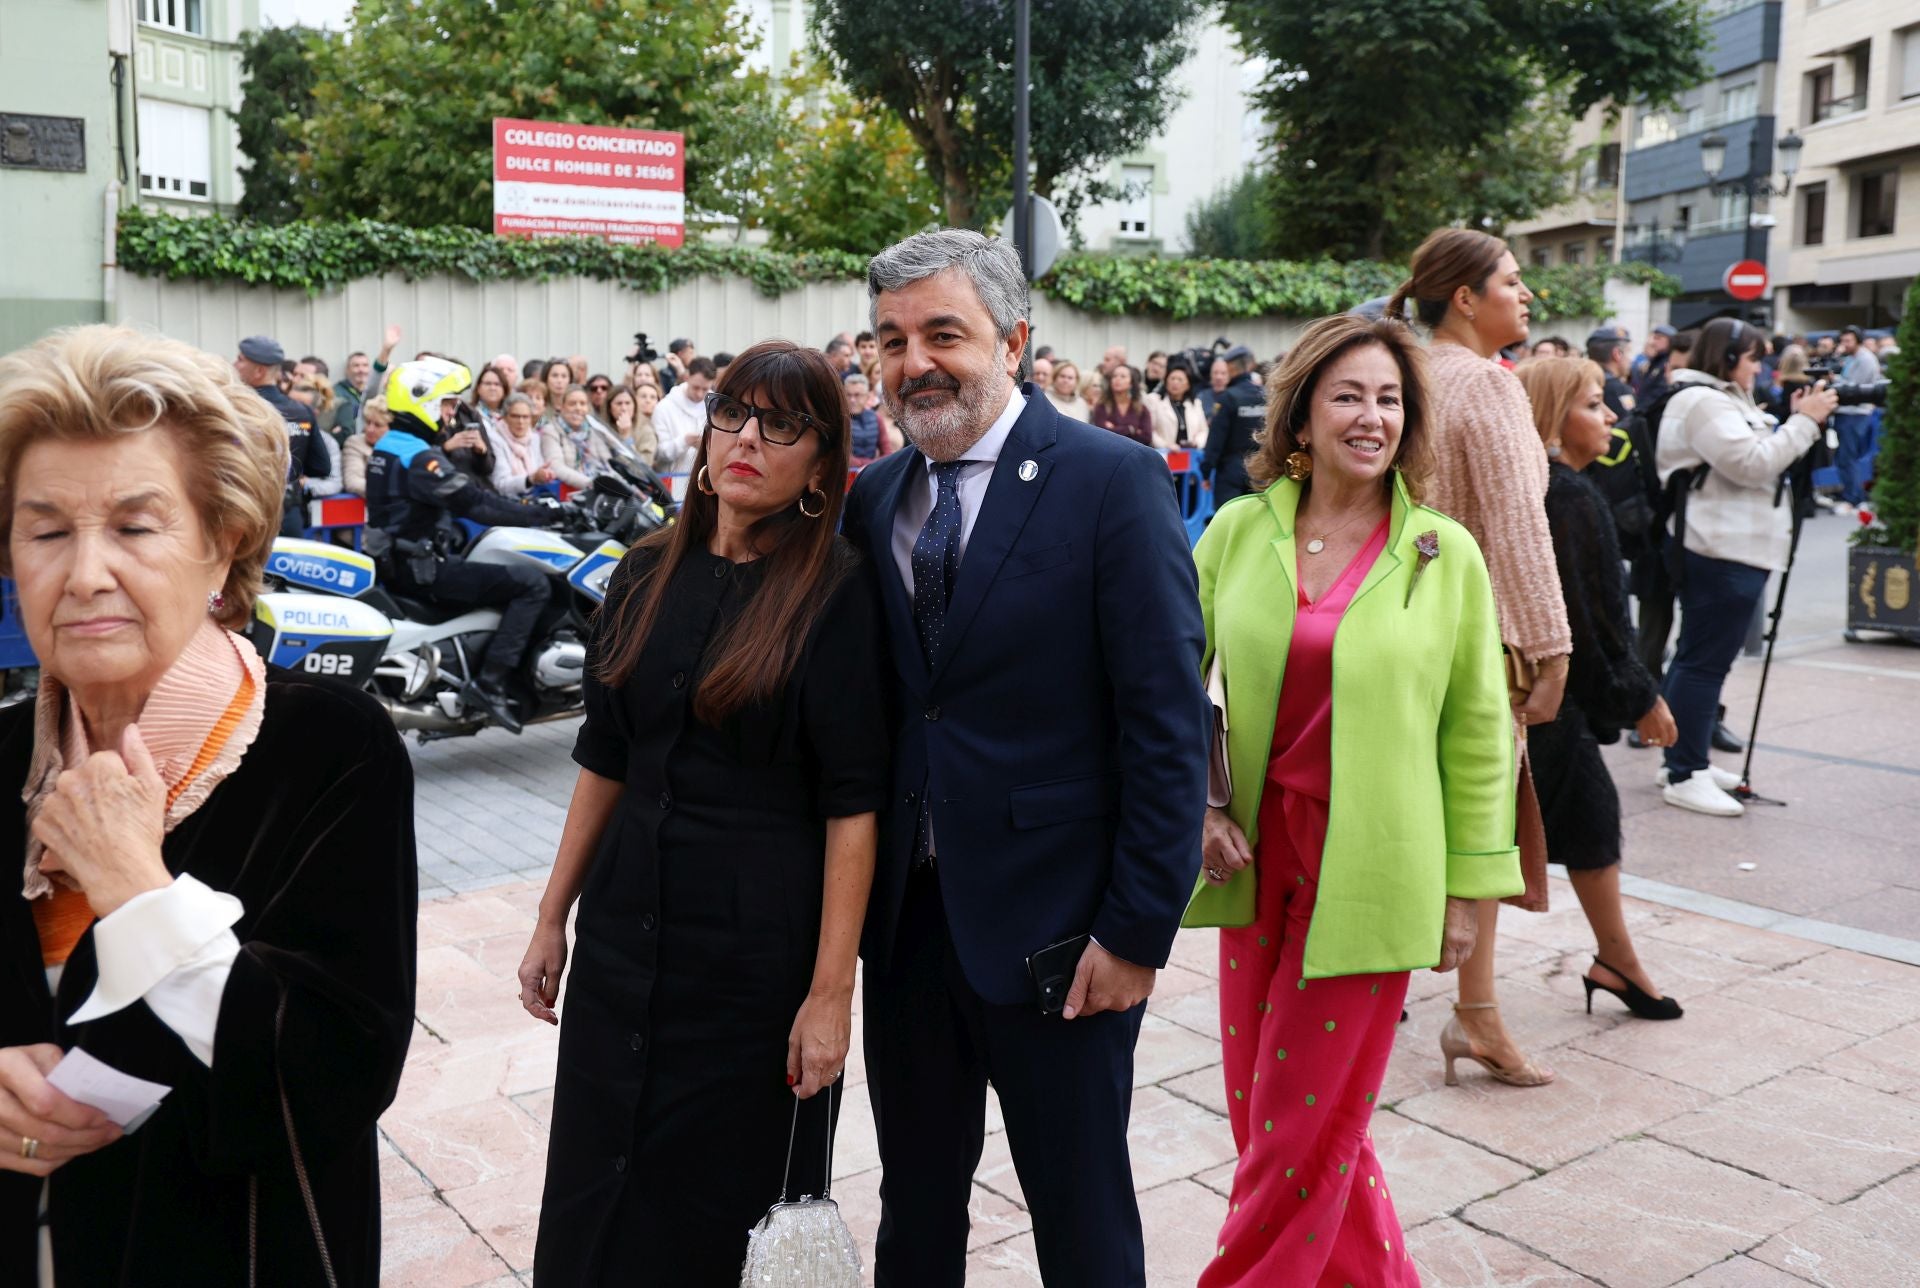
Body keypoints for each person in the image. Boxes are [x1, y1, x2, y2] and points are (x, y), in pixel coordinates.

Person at [0, 325, 416, 1284]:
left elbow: (341, 1072)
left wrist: (137, 889)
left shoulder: (327, 747)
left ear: (223, 545)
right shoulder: (5, 758)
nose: (87, 572)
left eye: (137, 527)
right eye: (49, 530)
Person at [842, 229, 1208, 1288]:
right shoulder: (878, 499)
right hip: (908, 934)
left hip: (1063, 940)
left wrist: (1137, 930)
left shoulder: (1113, 481)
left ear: (1013, 337)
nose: (916, 362)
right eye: (892, 339)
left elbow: (1165, 727)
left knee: (1083, 1219)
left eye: (943, 333)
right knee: (914, 1212)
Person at [519, 340, 884, 1283]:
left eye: (783, 424)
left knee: (717, 1213)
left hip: (750, 966)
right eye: (732, 413)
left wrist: (830, 993)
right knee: (595, 1187)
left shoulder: (835, 590)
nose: (748, 439)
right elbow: (604, 755)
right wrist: (553, 915)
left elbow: (854, 806)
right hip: (623, 940)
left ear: (819, 464)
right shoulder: (644, 570)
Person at [1189, 313, 1519, 1287]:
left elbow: (1477, 732)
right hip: (1255, 862)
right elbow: (1172, 679)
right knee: (1281, 1120)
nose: (1371, 416)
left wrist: (1469, 891)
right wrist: (1200, 806)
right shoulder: (1240, 530)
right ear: (1301, 412)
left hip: (1373, 869)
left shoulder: (1442, 553)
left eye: (1388, 399)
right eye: (1349, 395)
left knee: (1296, 1133)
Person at [1389, 227, 1569, 1088]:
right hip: (1474, 640)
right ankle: (1473, 1012)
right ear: (1465, 296)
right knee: (1478, 830)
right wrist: (1550, 643)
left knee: (1406, 815)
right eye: (1511, 279)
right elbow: (1517, 528)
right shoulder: (1488, 388)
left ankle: (1472, 1010)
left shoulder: (1402, 373)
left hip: (1392, 628)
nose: (1525, 293)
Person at [1514, 357, 1684, 1019]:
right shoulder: (1567, 495)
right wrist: (1640, 695)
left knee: (1591, 820)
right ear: (1556, 419)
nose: (1610, 416)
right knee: (1482, 847)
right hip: (1545, 698)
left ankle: (1618, 962)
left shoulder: (1556, 487)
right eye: (1593, 404)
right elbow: (1590, 618)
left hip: (1549, 696)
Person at [1655, 319, 1837, 816]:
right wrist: (1806, 422)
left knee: (1700, 658)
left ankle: (1682, 756)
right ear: (1728, 355)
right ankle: (1683, 772)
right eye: (1754, 357)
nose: (1760, 367)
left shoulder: (1720, 399)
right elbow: (1751, 464)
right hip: (1719, 550)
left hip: (1732, 549)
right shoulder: (1703, 401)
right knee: (1703, 663)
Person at [363, 358, 567, 733]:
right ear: (420, 402)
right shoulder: (418, 457)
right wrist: (546, 514)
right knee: (532, 584)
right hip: (423, 569)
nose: (450, 412)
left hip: (401, 561)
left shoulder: (391, 445)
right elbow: (477, 503)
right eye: (445, 404)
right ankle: (490, 683)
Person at [233, 335, 331, 539]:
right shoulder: (301, 411)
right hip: (289, 514)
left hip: (247, 515)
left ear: (259, 371)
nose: (234, 365)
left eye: (240, 360)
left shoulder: (237, 409)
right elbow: (321, 467)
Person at [1202, 345, 1265, 507]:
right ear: (1249, 365)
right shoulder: (1265, 396)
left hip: (1231, 472)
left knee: (1229, 522)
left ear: (1230, 367)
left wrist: (1206, 472)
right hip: (1260, 469)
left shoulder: (1228, 398)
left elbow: (1216, 440)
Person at [1832, 325, 1883, 511]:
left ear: (1858, 341)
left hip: (1855, 413)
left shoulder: (1865, 359)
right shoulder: (1851, 358)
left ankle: (1853, 498)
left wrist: (1835, 381)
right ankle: (1853, 495)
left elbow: (1855, 389)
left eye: (1848, 341)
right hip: (1847, 412)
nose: (1844, 344)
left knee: (1849, 456)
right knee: (1845, 457)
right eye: (1842, 340)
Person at [543, 386, 627, 489]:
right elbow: (557, 467)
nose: (578, 408)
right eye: (572, 404)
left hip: (601, 488)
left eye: (582, 404)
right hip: (571, 492)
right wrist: (593, 484)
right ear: (562, 407)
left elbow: (607, 462)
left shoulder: (593, 430)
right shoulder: (551, 430)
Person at [654, 357, 717, 475]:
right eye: (696, 387)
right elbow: (659, 454)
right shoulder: (664, 407)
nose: (700, 394)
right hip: (671, 478)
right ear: (687, 377)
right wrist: (685, 440)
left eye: (705, 389)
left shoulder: (715, 407)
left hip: (705, 477)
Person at [488, 394, 558, 496]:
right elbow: (500, 484)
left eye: (525, 417)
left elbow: (539, 469)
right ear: (505, 417)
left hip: (533, 496)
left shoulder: (534, 438)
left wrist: (545, 474)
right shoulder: (495, 439)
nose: (521, 422)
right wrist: (531, 479)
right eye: (515, 416)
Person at [1146, 363, 1209, 449]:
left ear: (1188, 385)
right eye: (1172, 378)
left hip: (1189, 454)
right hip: (1164, 453)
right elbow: (1150, 430)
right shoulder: (1154, 400)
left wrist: (1196, 442)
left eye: (1180, 380)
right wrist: (1166, 445)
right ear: (1166, 381)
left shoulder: (1196, 404)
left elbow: (1203, 430)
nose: (1175, 382)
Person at [1090, 363, 1154, 446]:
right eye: (1114, 376)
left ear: (1131, 383)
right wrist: (1131, 429)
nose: (1117, 379)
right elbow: (1102, 435)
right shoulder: (1101, 407)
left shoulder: (1141, 409)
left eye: (1123, 376)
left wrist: (1114, 429)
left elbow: (1147, 437)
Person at [343, 394, 391, 495]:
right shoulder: (354, 443)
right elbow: (353, 482)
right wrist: (393, 491)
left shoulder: (401, 446)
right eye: (368, 422)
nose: (370, 429)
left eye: (378, 425)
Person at [1588, 326, 1637, 421]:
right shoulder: (1620, 390)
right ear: (1617, 354)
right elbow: (1632, 426)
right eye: (1628, 352)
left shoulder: (1582, 385)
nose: (1631, 360)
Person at [846, 369, 885, 466]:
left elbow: (887, 452)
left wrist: (871, 465)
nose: (852, 400)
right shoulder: (840, 420)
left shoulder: (876, 418)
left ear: (867, 396)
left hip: (872, 471)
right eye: (848, 395)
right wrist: (872, 464)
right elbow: (843, 457)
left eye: (857, 395)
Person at [606, 385, 654, 463]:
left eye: (627, 403)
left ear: (634, 406)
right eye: (619, 404)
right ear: (609, 407)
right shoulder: (602, 428)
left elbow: (645, 465)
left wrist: (626, 437)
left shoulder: (646, 431)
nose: (624, 408)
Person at [469, 364, 513, 439]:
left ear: (505, 390)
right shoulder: (469, 414)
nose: (492, 388)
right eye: (488, 384)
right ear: (478, 388)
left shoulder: (512, 415)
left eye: (497, 384)